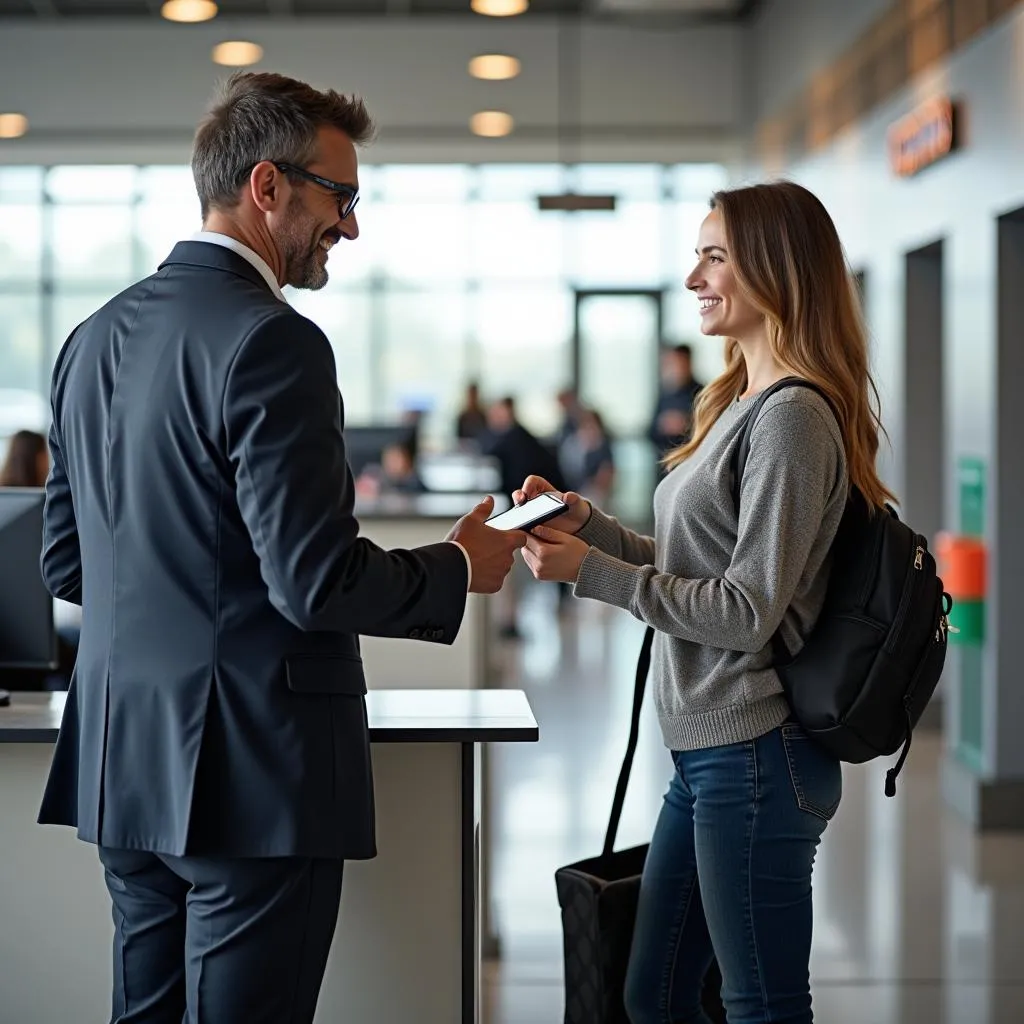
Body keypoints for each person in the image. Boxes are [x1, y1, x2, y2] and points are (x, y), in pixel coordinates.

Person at [37, 71, 525, 1024]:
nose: (350, 227)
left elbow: (66, 566)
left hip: (124, 765)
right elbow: (315, 583)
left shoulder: (89, 341)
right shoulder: (274, 342)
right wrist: (460, 565)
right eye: (342, 197)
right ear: (269, 186)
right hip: (251, 778)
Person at [515, 180, 894, 1023]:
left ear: (777, 269)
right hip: (710, 756)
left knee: (759, 1004)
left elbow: (744, 608)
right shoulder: (739, 404)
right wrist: (592, 530)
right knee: (654, 995)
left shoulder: (794, 418)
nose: (693, 277)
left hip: (757, 753)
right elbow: (696, 564)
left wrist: (590, 574)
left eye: (714, 256)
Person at [648, 343, 703, 464]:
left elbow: (710, 433)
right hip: (665, 464)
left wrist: (685, 425)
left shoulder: (703, 394)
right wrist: (663, 425)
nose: (676, 369)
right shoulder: (665, 394)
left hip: (691, 463)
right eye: (673, 364)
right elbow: (650, 432)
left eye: (680, 363)